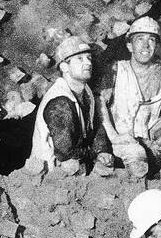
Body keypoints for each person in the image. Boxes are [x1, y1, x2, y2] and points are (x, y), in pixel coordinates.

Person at [97, 16, 161, 174]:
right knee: (136, 154)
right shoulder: (116, 70)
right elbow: (100, 105)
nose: (146, 45)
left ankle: (154, 169)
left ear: (157, 45)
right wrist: (112, 137)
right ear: (129, 45)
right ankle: (139, 171)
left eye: (151, 40)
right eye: (139, 39)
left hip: (150, 141)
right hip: (122, 141)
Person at [30, 35, 113, 171]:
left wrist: (101, 150)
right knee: (73, 164)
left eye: (89, 58)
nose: (88, 63)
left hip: (78, 159)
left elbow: (95, 126)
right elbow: (65, 152)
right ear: (64, 67)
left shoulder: (86, 93)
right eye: (79, 59)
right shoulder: (60, 102)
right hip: (52, 173)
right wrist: (95, 154)